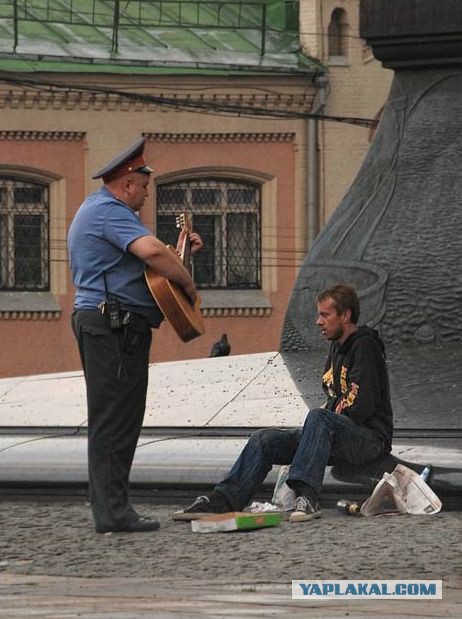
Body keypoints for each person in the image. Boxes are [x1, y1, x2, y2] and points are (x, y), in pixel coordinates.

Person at [68, 137, 203, 533]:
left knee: (119, 417)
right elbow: (153, 254)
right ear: (127, 183)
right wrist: (190, 286)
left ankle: (114, 508)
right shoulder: (110, 211)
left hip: (113, 325)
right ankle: (112, 513)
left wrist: (181, 258)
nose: (146, 197)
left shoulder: (101, 210)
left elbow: (146, 266)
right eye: (144, 188)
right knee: (115, 419)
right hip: (113, 326)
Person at [177, 284, 393, 523]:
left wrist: (329, 411)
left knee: (318, 417)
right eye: (318, 314)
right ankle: (224, 500)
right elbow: (333, 396)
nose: (318, 321)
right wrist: (329, 413)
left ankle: (307, 497)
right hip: (337, 433)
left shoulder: (365, 346)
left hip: (369, 439)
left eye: (324, 314)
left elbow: (361, 406)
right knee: (265, 439)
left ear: (345, 315)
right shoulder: (336, 347)